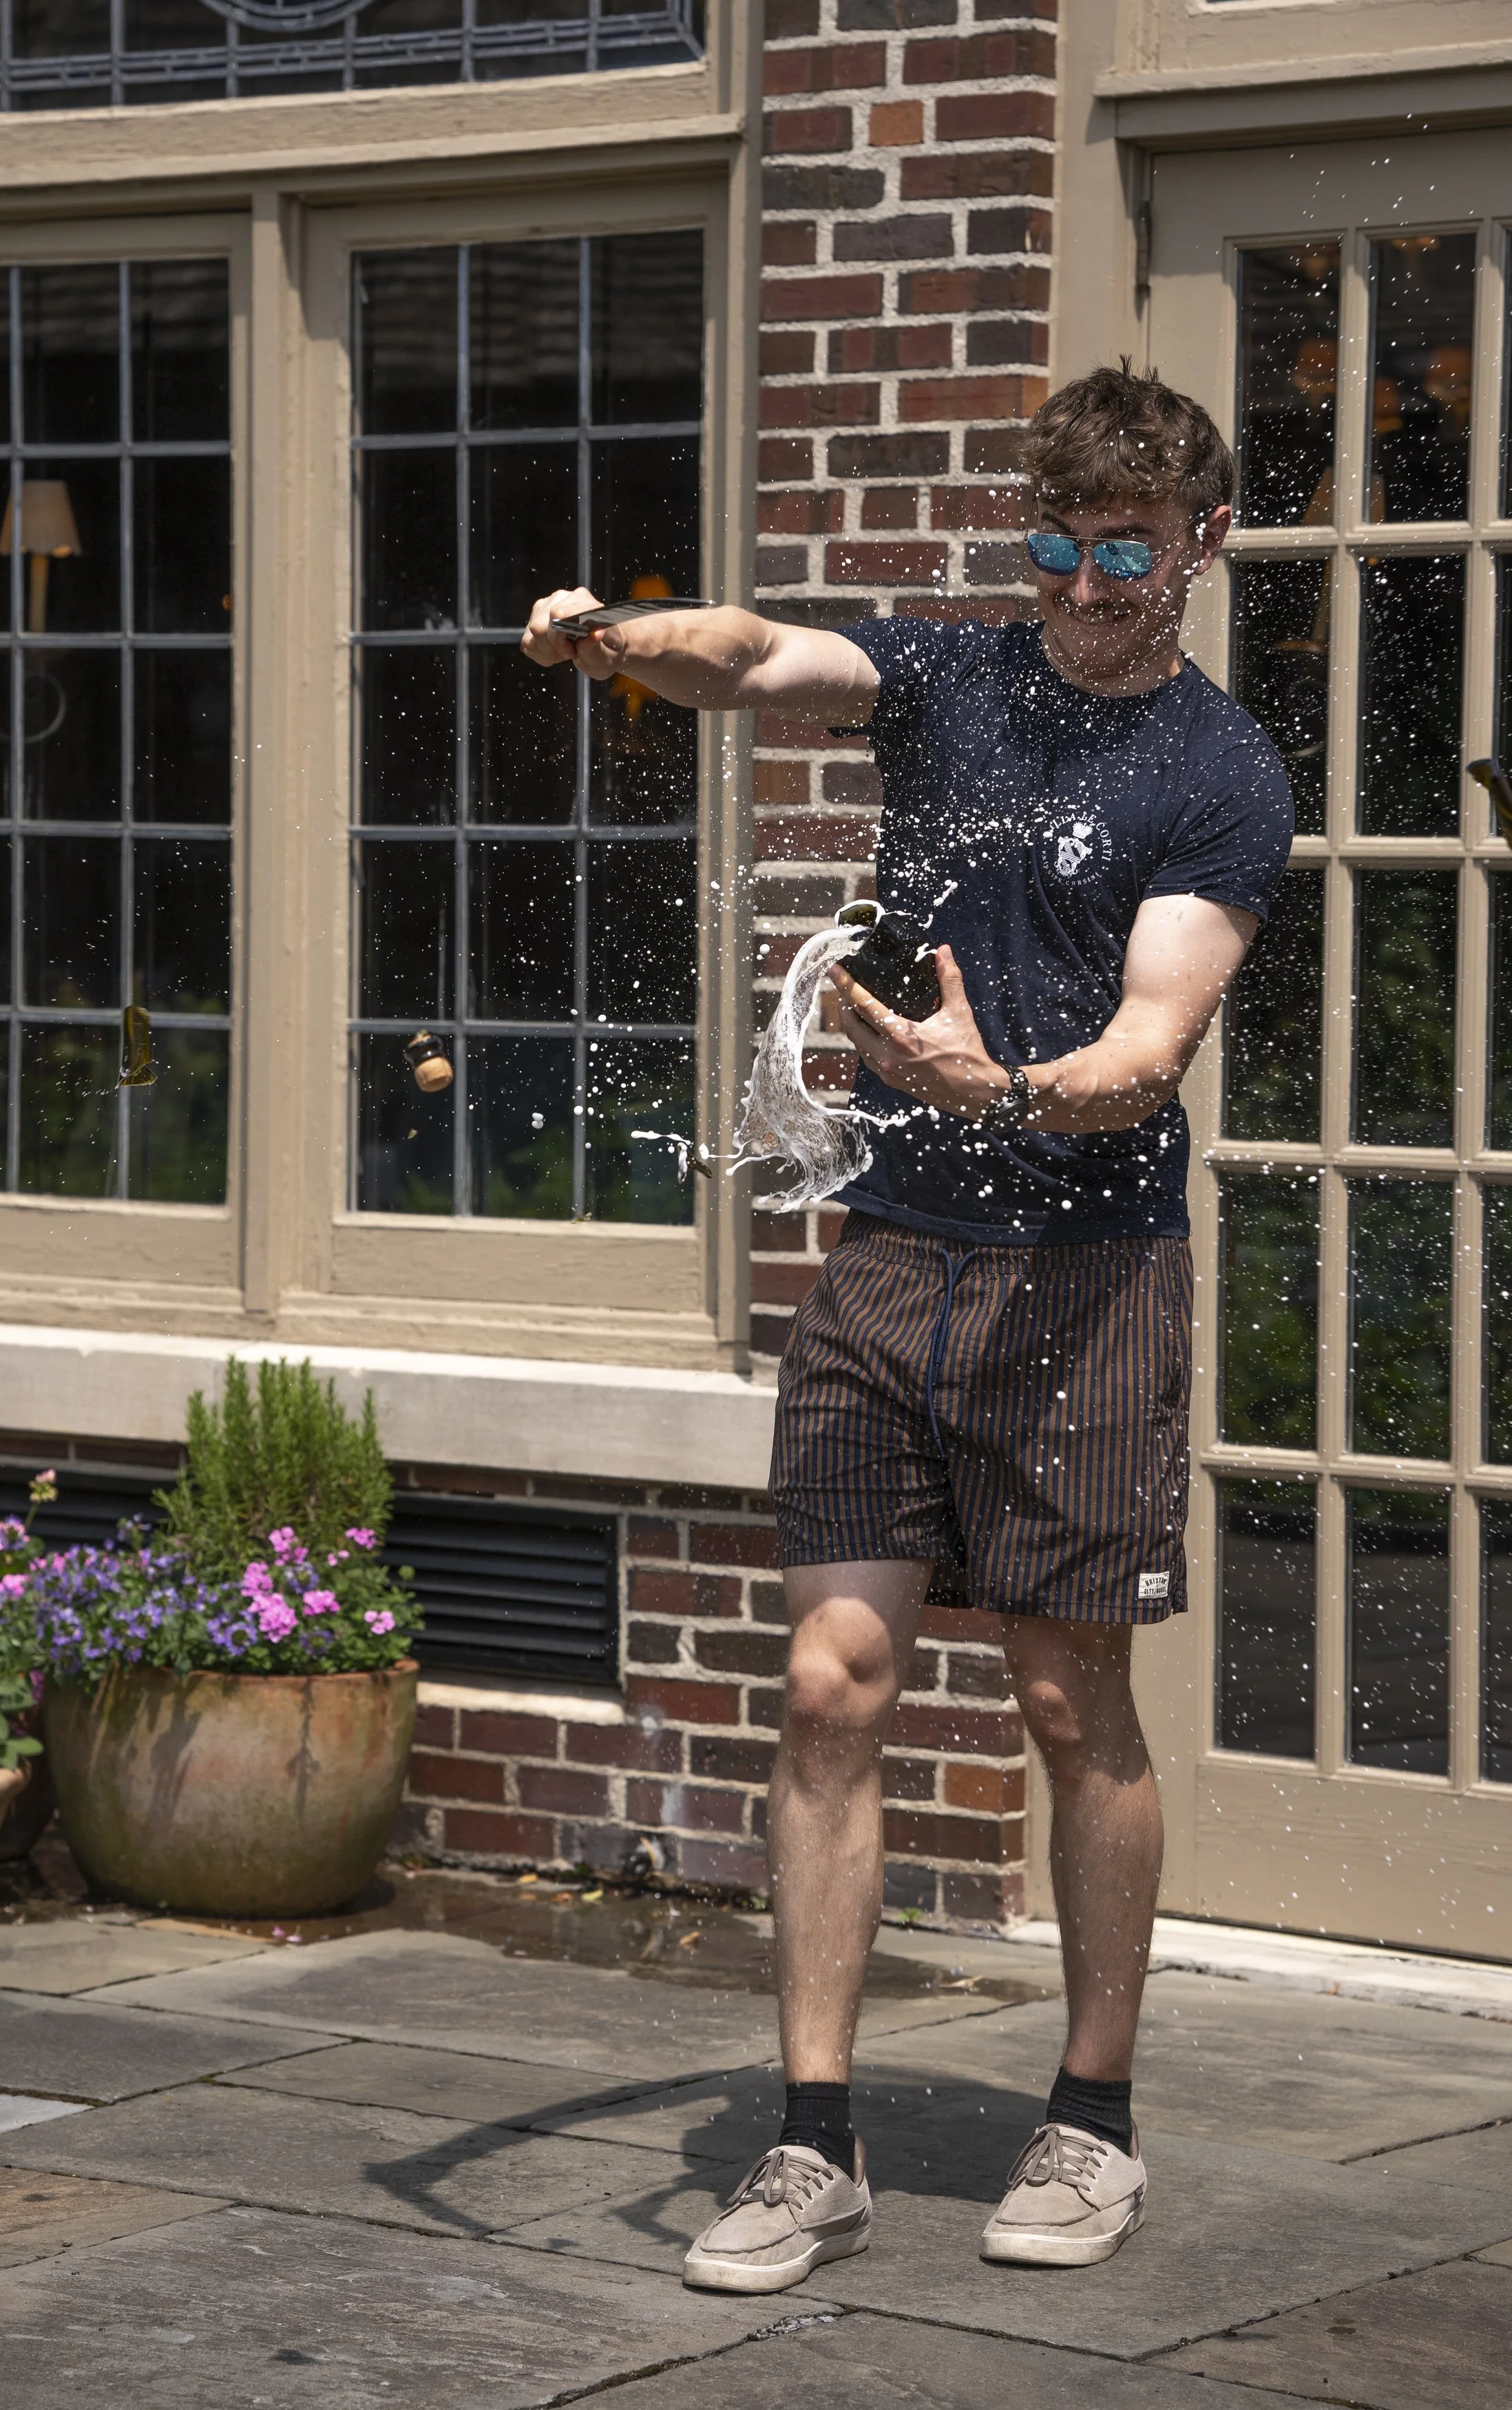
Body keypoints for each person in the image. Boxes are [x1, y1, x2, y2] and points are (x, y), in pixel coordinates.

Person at [521, 362, 1292, 2291]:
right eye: (1055, 549)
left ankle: (1090, 2115)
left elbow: (1144, 1048)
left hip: (1088, 1275)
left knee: (1064, 1704)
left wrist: (992, 1087)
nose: (1086, 588)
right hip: (888, 1262)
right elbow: (758, 656)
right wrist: (616, 637)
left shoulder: (1218, 772)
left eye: (1124, 553)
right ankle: (809, 2142)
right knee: (826, 1685)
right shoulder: (954, 674)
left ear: (1201, 542)